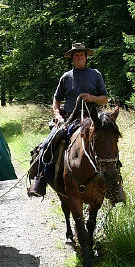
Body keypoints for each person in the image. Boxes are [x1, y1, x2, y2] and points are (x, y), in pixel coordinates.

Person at [28, 43, 126, 204]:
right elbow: (56, 99)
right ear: (72, 58)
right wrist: (58, 115)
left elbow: (104, 98)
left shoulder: (95, 74)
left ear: (86, 57)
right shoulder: (66, 77)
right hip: (70, 119)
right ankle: (40, 179)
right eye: (76, 55)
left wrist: (91, 98)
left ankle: (113, 185)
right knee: (49, 143)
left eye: (82, 55)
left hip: (94, 120)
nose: (79, 57)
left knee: (108, 145)